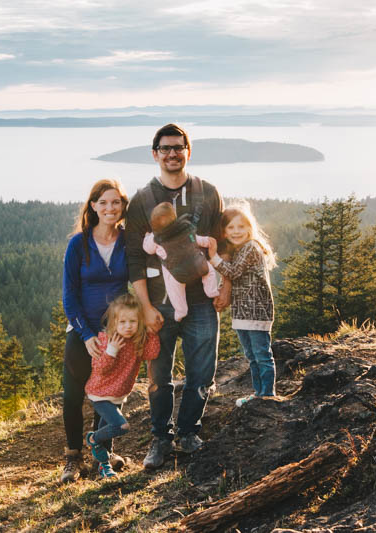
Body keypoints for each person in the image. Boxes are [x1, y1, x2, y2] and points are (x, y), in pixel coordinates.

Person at [125, 123, 230, 469]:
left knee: (202, 372)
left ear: (188, 150)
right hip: (158, 303)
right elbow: (136, 259)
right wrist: (144, 307)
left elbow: (222, 243)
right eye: (165, 148)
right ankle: (160, 438)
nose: (172, 153)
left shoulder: (208, 192)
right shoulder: (142, 200)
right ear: (155, 154)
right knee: (158, 377)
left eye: (178, 147)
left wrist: (225, 285)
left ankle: (188, 432)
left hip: (202, 300)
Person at [60, 179, 129, 483]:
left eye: (115, 202)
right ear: (93, 206)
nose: (110, 208)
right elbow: (69, 295)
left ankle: (104, 454)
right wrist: (86, 334)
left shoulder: (128, 240)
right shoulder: (79, 243)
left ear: (122, 206)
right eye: (103, 202)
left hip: (115, 333)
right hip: (81, 330)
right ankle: (73, 458)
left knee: (109, 392)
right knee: (74, 396)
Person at [207, 204, 277, 407]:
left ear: (250, 228)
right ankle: (259, 394)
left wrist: (213, 257)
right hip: (242, 313)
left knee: (262, 355)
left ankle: (268, 394)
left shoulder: (251, 248)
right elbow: (232, 276)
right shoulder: (239, 250)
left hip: (257, 312)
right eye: (230, 228)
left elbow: (234, 272)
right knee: (252, 357)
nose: (236, 232)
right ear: (224, 231)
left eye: (241, 227)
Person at [84, 294, 160, 479]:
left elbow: (152, 353)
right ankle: (92, 438)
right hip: (101, 393)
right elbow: (100, 369)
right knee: (121, 426)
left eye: (133, 321)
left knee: (107, 436)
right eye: (123, 321)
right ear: (114, 322)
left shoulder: (137, 341)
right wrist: (112, 350)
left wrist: (152, 331)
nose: (128, 326)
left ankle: (104, 465)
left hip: (118, 394)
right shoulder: (105, 339)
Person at [143, 202, 219, 322]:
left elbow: (148, 249)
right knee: (209, 271)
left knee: (174, 290)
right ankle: (212, 291)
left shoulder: (155, 238)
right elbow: (197, 239)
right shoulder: (185, 228)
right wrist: (207, 241)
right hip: (198, 265)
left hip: (177, 273)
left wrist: (147, 237)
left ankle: (181, 310)